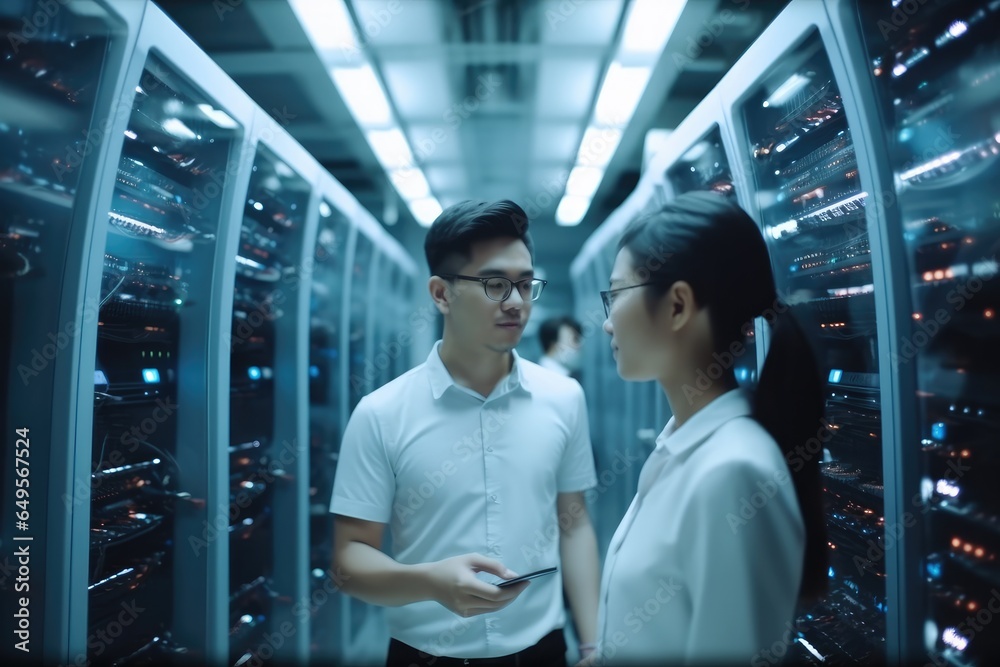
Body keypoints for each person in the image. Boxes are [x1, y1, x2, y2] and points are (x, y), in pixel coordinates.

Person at [330, 199, 601, 667]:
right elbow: (350, 559)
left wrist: (595, 643)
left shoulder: (564, 398)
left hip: (542, 650)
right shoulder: (381, 413)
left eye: (524, 284)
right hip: (425, 655)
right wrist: (431, 582)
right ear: (441, 294)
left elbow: (573, 525)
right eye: (495, 284)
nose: (516, 302)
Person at [588, 192, 827, 665]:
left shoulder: (734, 472)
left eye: (616, 295)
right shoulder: (687, 449)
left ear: (677, 306)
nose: (607, 323)